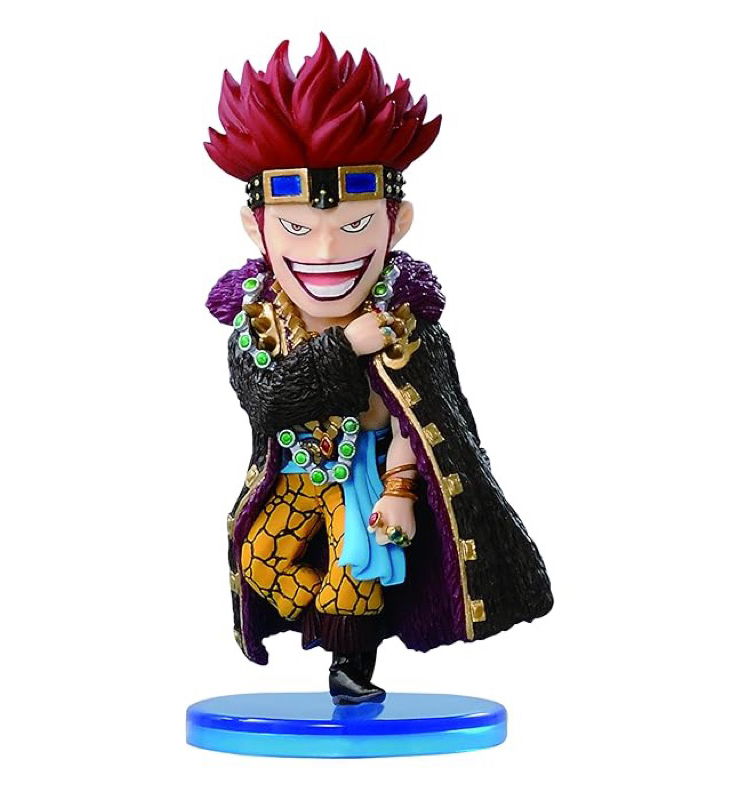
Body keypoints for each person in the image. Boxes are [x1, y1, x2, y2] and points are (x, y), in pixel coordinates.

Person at [204, 34, 553, 704]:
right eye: (297, 229)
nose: (326, 249)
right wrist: (344, 348)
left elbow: (421, 421)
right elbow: (267, 400)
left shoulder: (409, 326)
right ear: (256, 228)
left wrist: (399, 489)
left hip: (364, 473)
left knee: (359, 570)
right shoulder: (258, 323)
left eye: (355, 226)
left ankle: (350, 662)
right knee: (260, 560)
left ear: (398, 222)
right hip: (296, 472)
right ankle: (325, 624)